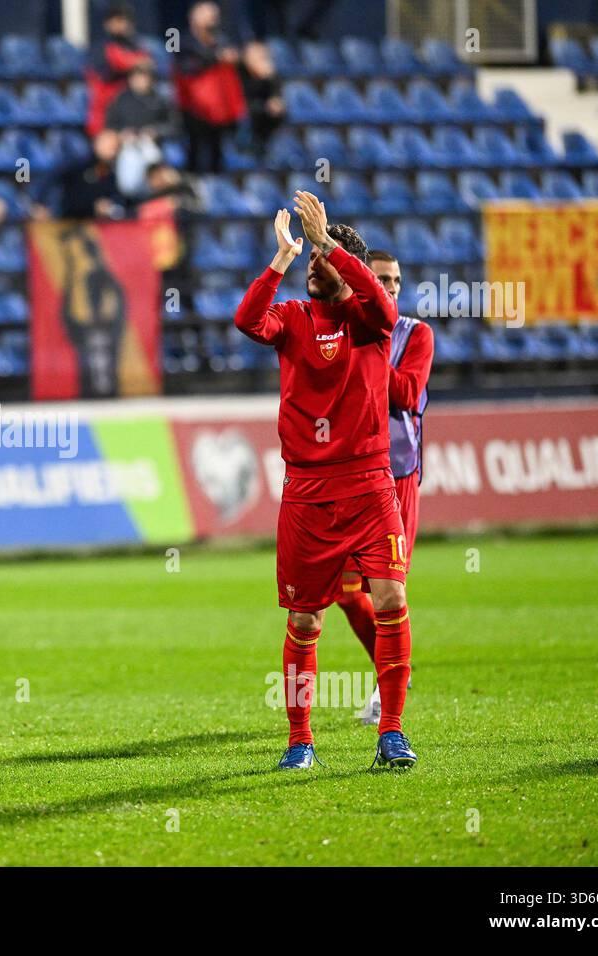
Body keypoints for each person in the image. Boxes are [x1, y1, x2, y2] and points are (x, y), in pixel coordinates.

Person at [234, 192, 417, 770]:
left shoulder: (369, 323)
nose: (313, 265)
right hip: (307, 494)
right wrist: (282, 258)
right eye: (310, 260)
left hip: (368, 484)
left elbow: (385, 310)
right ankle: (300, 741)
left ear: (343, 265)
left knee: (389, 597)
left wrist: (327, 243)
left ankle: (391, 734)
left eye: (319, 259)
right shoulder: (293, 318)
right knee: (305, 619)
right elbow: (246, 320)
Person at [334, 250, 433, 725]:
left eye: (395, 280)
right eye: (381, 280)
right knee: (346, 590)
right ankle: (391, 666)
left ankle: (384, 695)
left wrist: (366, 356)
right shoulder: (343, 326)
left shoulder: (416, 334)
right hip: (349, 472)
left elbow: (408, 394)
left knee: (388, 586)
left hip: (397, 472)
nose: (390, 287)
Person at [175, 1, 247, 174]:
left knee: (218, 155)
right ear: (194, 16)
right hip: (193, 110)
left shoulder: (221, 40)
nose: (212, 20)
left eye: (214, 15)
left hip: (220, 111)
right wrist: (216, 58)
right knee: (195, 155)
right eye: (207, 15)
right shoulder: (182, 41)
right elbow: (185, 68)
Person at [105, 62, 176, 197]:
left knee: (156, 171)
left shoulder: (160, 99)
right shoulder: (121, 99)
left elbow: (174, 126)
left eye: (144, 76)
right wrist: (122, 134)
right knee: (128, 185)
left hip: (154, 146)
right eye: (136, 76)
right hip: (128, 146)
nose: (140, 80)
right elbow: (110, 125)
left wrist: (156, 131)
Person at [85, 3, 152, 138]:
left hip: (130, 114)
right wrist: (136, 63)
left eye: (125, 20)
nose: (122, 24)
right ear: (107, 23)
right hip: (105, 116)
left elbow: (147, 64)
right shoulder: (101, 48)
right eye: (118, 20)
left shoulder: (135, 46)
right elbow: (119, 62)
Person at [57, 128, 127, 220]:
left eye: (116, 148)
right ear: (98, 144)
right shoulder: (78, 168)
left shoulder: (113, 172)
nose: (114, 152)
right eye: (111, 147)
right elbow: (70, 199)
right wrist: (94, 206)